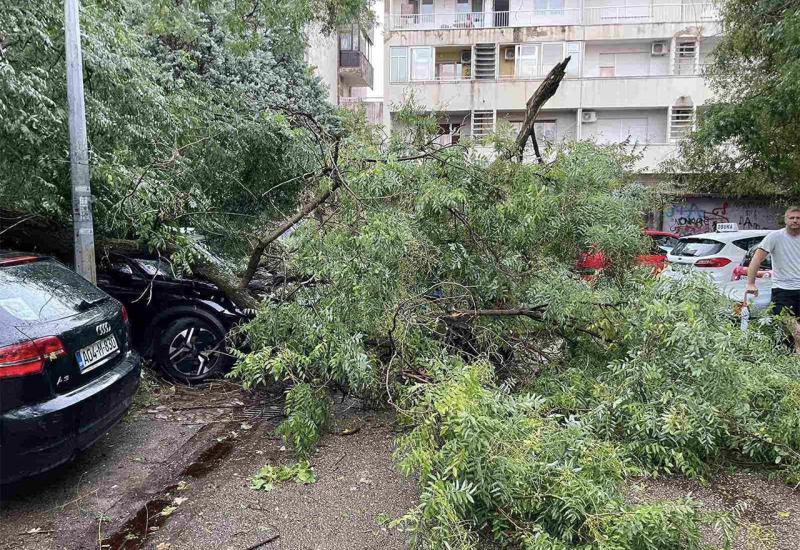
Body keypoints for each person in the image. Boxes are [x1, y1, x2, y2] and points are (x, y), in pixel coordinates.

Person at [746, 206, 800, 352]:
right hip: (782, 289)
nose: (795, 220)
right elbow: (756, 259)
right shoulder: (774, 237)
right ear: (785, 219)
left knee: (790, 331)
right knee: (794, 328)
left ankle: (791, 358)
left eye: (798, 218)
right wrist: (751, 283)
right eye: (792, 217)